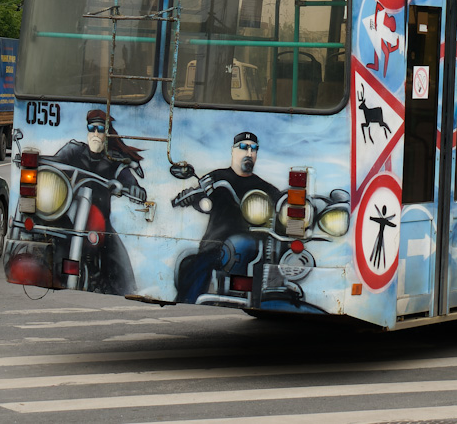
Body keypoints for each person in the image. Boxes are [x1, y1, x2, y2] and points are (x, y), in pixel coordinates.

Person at [40, 109, 145, 293]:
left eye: (100, 129)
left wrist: (134, 188)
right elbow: (55, 163)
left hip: (99, 220)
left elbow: (126, 177)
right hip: (67, 214)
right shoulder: (73, 150)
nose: (95, 133)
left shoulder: (113, 160)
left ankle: (114, 285)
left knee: (122, 270)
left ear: (107, 133)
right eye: (92, 128)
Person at [172, 131, 281, 302]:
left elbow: (281, 201)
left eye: (253, 149)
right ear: (233, 151)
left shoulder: (264, 187)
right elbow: (198, 193)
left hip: (256, 246)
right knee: (198, 270)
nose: (249, 153)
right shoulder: (218, 179)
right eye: (243, 148)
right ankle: (186, 304)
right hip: (217, 244)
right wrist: (191, 196)